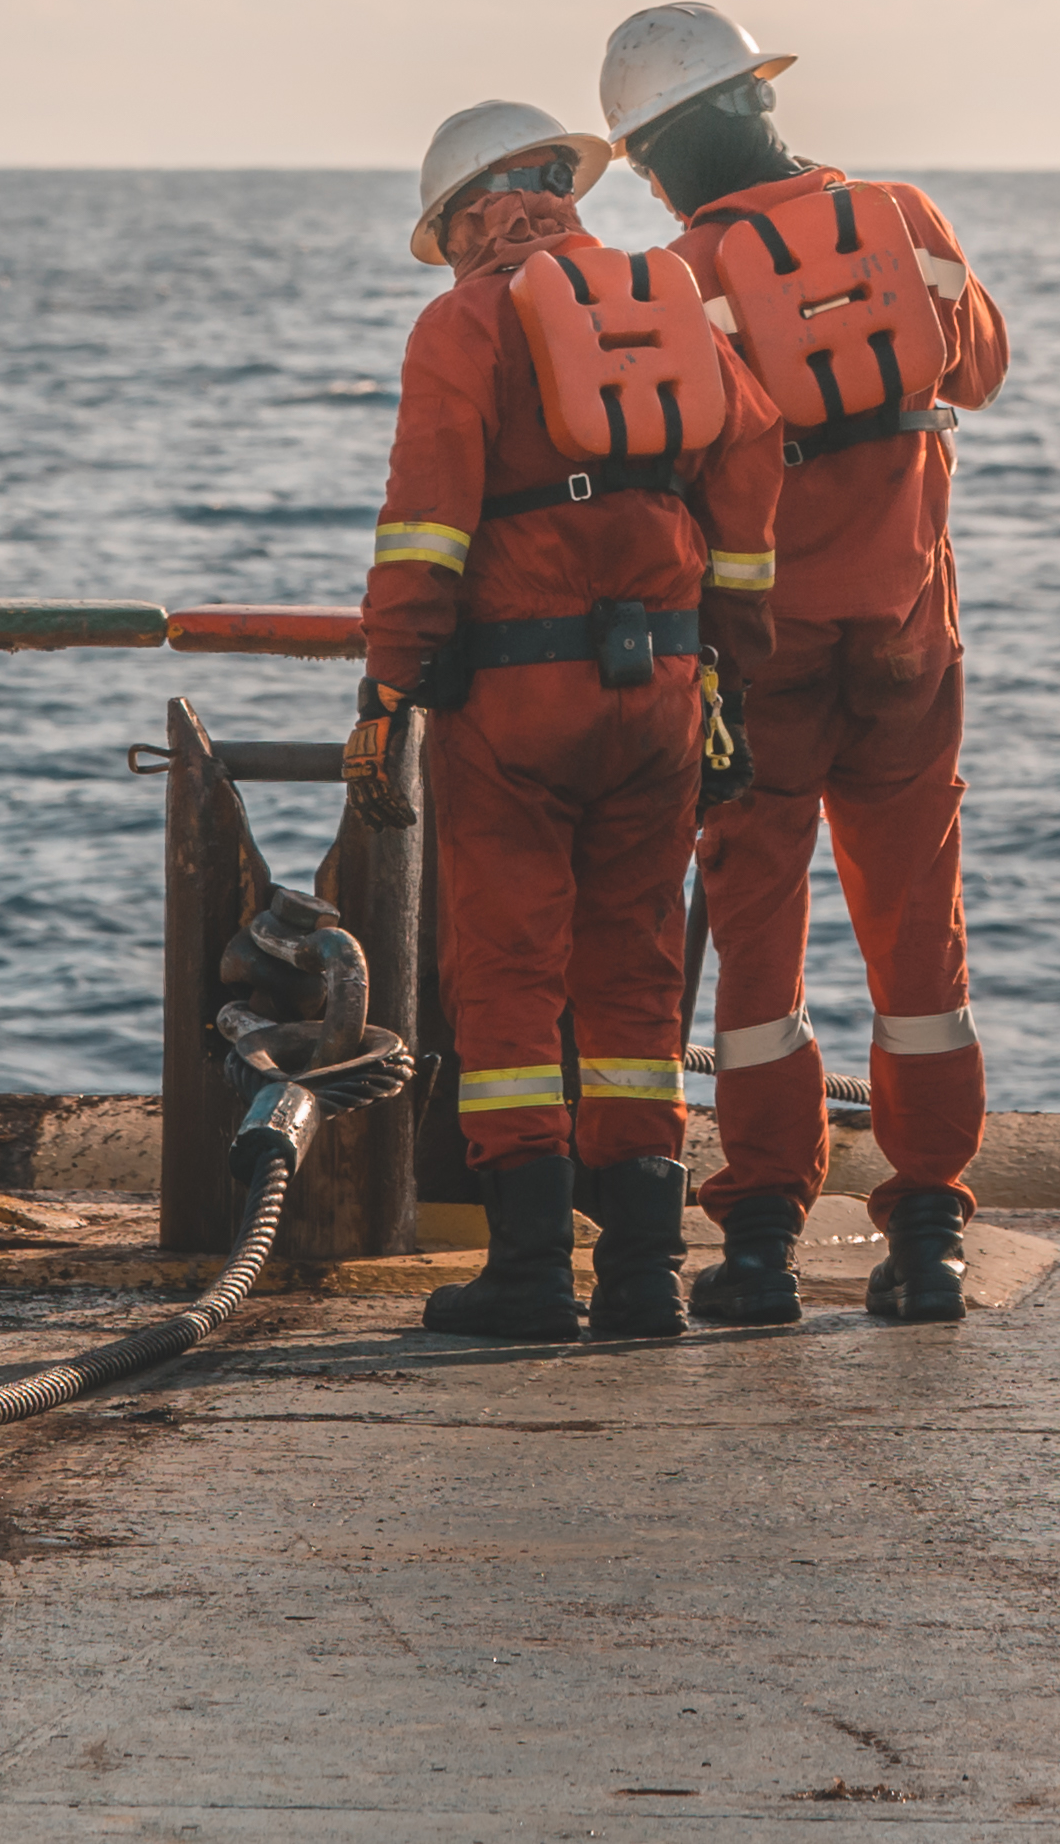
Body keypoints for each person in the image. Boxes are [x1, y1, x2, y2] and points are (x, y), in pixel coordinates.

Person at [609, 0, 1014, 1330]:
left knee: (757, 948)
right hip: (908, 642)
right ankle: (929, 1232)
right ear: (761, 103)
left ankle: (768, 1231)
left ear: (659, 157)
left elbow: (663, 466)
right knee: (918, 935)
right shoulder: (903, 219)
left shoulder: (680, 278)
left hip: (763, 656)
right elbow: (987, 362)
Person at [353, 99, 782, 1343]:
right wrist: (729, 666)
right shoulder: (667, 304)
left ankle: (532, 1269)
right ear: (563, 188)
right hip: (661, 693)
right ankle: (645, 1275)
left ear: (460, 219)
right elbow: (749, 469)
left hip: (514, 699)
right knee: (638, 975)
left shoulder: (465, 321)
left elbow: (423, 524)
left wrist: (391, 687)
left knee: (506, 975)